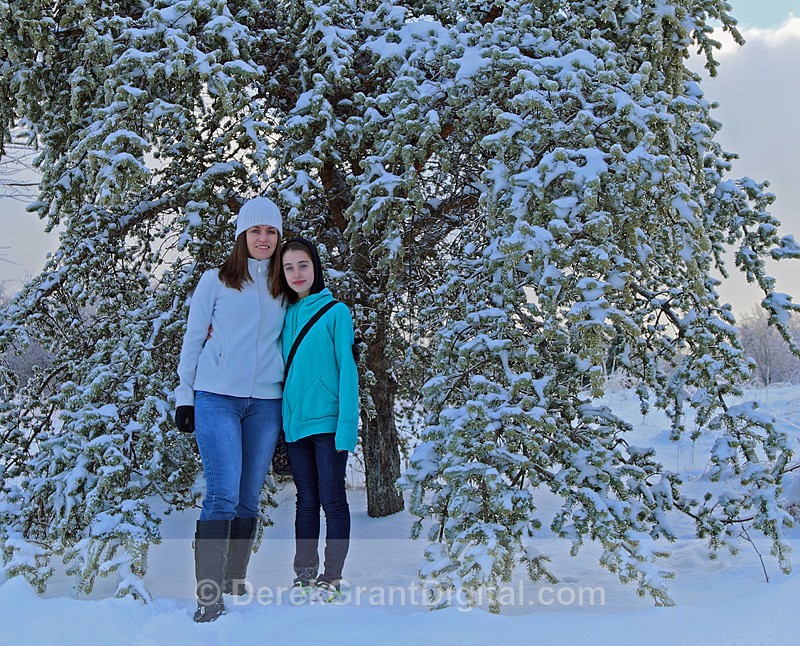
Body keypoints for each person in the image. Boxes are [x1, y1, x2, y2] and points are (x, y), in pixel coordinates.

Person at [174, 197, 285, 622]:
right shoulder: (216, 281)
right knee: (221, 495)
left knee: (248, 498)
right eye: (256, 231)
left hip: (266, 403)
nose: (263, 238)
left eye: (271, 232)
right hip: (216, 397)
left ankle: (233, 584)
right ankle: (209, 596)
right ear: (242, 235)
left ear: (278, 237)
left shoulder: (283, 286)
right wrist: (186, 396)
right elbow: (193, 340)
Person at [279, 237, 359, 602]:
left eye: (303, 265)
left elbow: (347, 371)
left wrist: (347, 426)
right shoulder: (283, 315)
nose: (297, 273)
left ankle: (332, 576)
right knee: (305, 501)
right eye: (289, 267)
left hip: (327, 424)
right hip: (295, 426)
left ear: (316, 267)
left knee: (333, 499)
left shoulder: (336, 312)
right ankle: (303, 575)